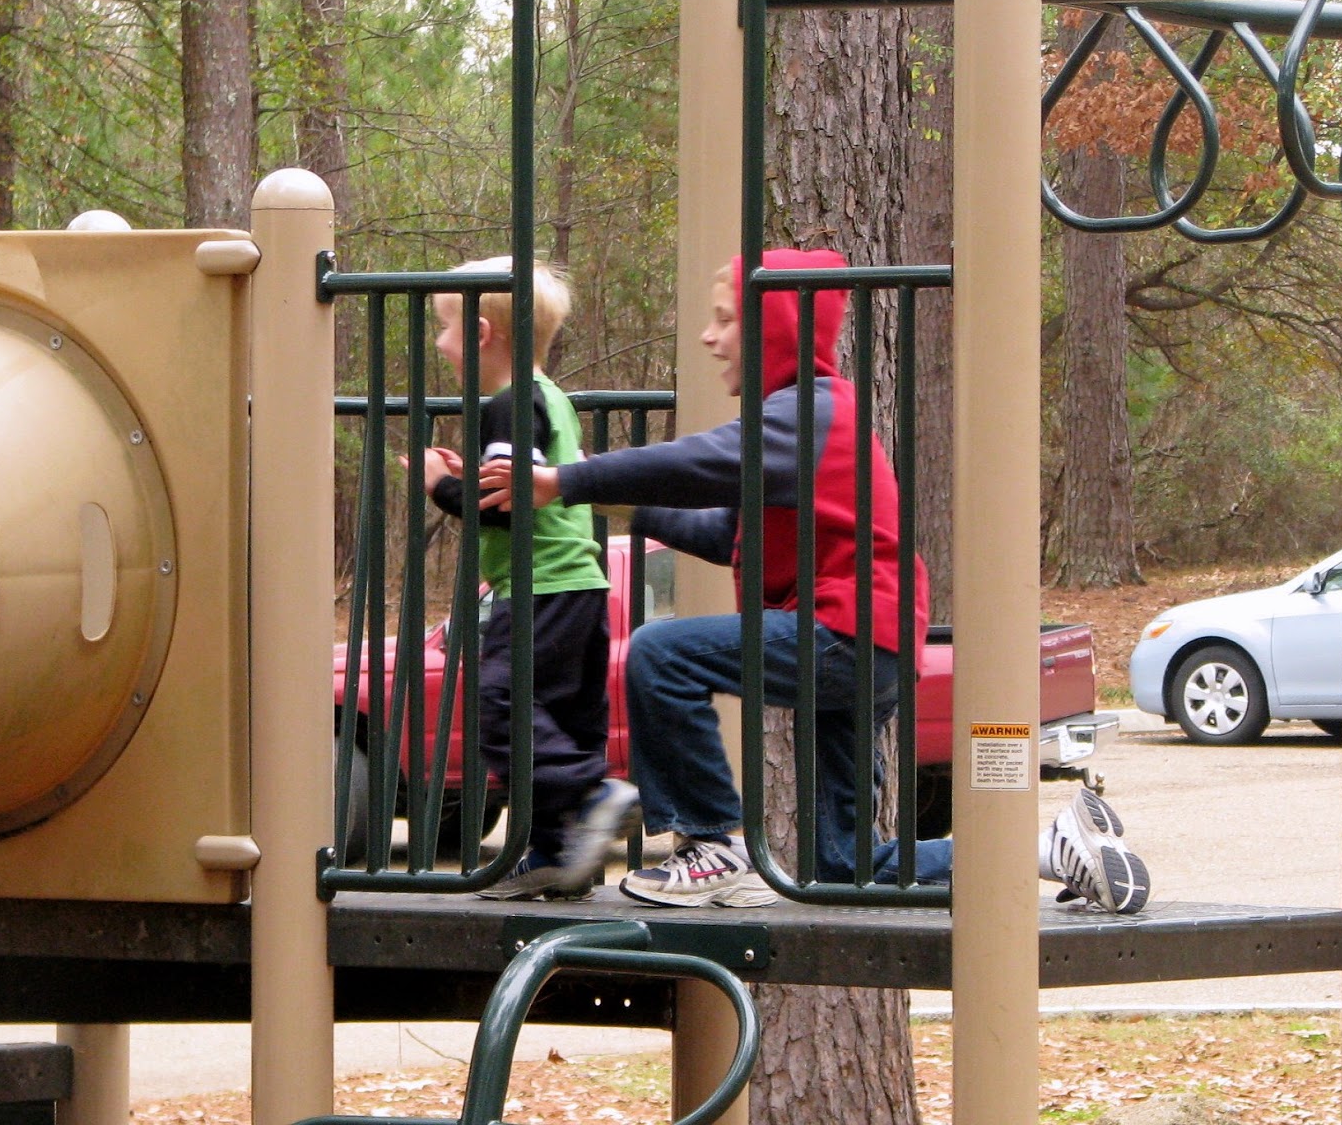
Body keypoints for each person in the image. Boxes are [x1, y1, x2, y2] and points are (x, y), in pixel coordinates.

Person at [481, 248, 1151, 914]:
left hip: (845, 631)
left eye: (724, 320)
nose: (709, 338)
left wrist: (570, 478)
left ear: (774, 329)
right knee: (843, 867)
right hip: (868, 643)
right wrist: (601, 497)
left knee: (661, 654)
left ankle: (710, 844)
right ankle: (1049, 848)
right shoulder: (799, 419)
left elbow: (706, 461)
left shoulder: (809, 412)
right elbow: (725, 535)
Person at [414, 256, 640, 900]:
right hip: (581, 587)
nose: (440, 342)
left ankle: (591, 795)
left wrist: (440, 486)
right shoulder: (550, 397)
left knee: (502, 706)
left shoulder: (508, 404)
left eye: (445, 327)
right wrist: (472, 476)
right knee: (563, 718)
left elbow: (504, 502)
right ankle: (555, 853)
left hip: (538, 585)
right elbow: (519, 480)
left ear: (480, 333)